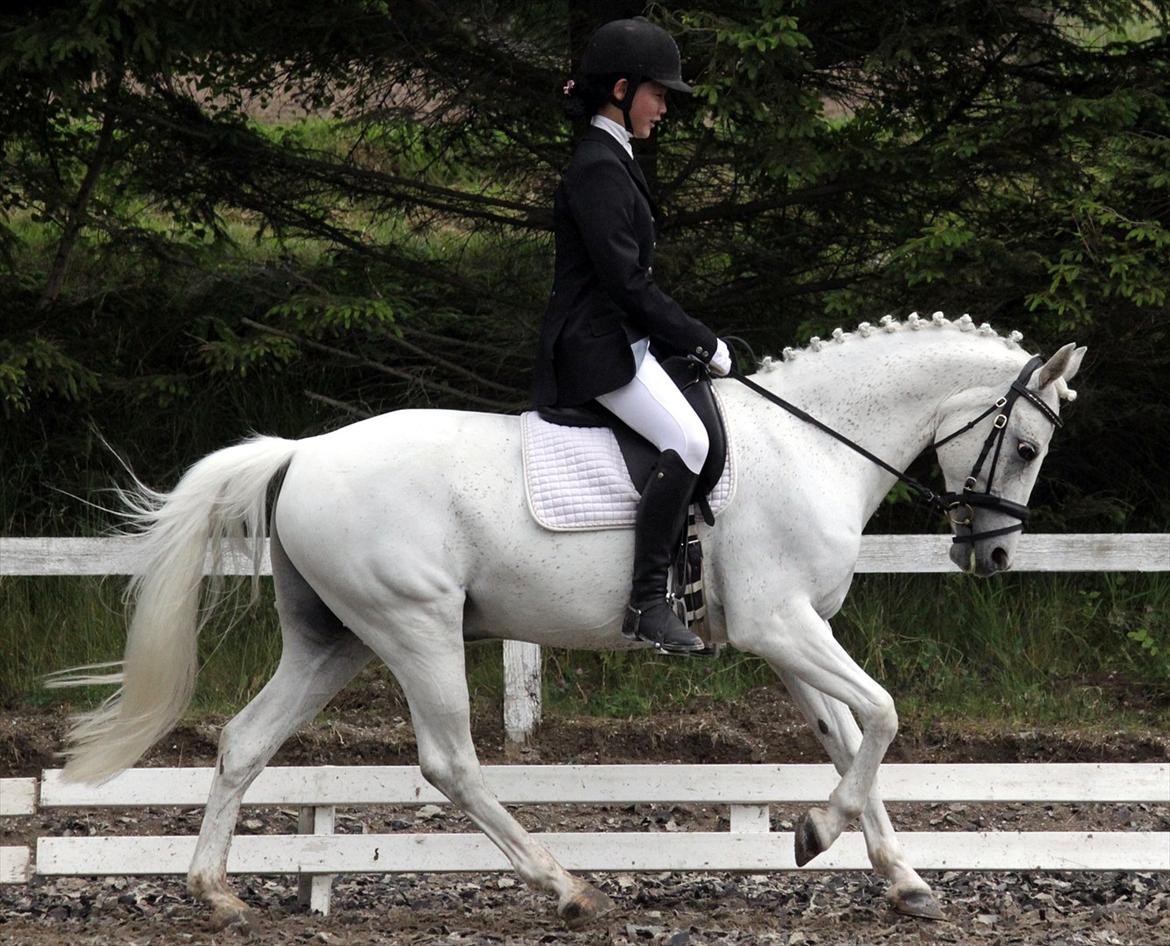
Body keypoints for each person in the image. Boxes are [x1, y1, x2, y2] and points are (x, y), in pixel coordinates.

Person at [531, 17, 732, 656]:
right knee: (689, 439)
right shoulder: (597, 167)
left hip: (621, 339)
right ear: (621, 89)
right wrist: (701, 339)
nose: (665, 108)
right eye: (659, 94)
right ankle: (648, 601)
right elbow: (625, 284)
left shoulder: (614, 158)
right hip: (595, 348)